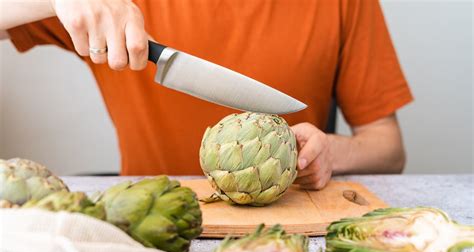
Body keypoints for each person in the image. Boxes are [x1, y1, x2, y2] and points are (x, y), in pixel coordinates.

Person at [0, 0, 412, 190]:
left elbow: (388, 149)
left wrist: (330, 155)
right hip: (154, 228)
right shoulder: (112, 4)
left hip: (291, 225)